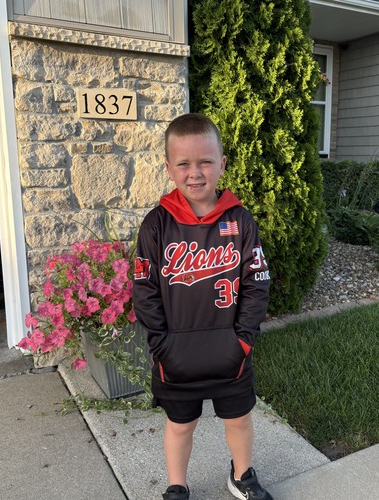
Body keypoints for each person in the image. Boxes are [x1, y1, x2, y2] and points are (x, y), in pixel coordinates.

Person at [133, 113, 272, 500]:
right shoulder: (156, 225)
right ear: (168, 168)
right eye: (184, 164)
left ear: (222, 164)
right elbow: (144, 289)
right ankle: (177, 486)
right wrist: (162, 344)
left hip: (230, 352)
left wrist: (243, 339)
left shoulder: (239, 219)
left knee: (239, 419)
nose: (195, 173)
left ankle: (242, 476)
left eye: (205, 162)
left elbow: (257, 283)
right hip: (176, 355)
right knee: (180, 425)